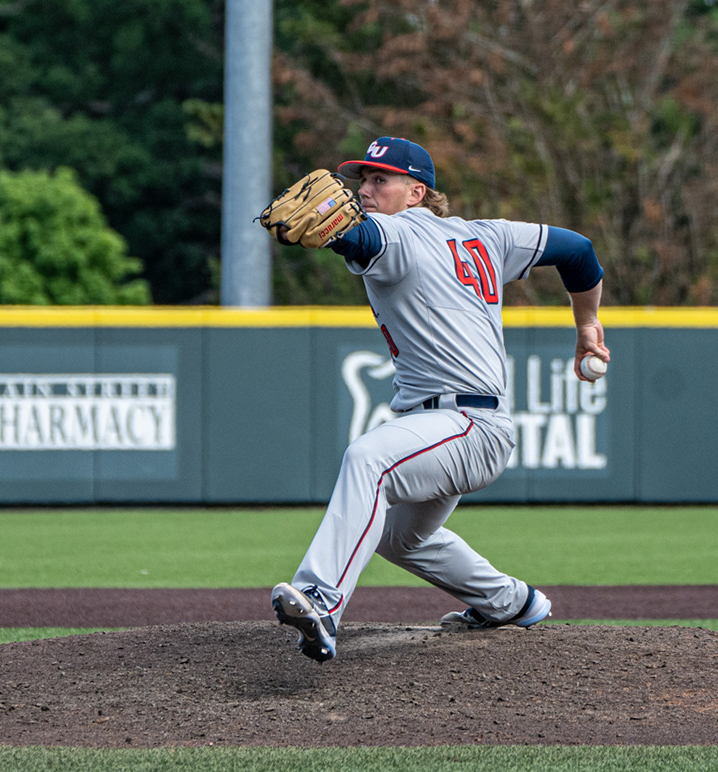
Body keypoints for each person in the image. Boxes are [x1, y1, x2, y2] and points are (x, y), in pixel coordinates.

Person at [259, 137, 609, 662]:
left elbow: (360, 237)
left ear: (417, 191)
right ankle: (511, 602)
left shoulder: (395, 232)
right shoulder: (486, 236)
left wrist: (344, 234)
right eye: (363, 180)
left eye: (381, 180)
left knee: (369, 460)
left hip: (466, 424)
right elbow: (579, 251)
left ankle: (320, 600)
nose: (365, 189)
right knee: (402, 539)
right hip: (454, 429)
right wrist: (588, 324)